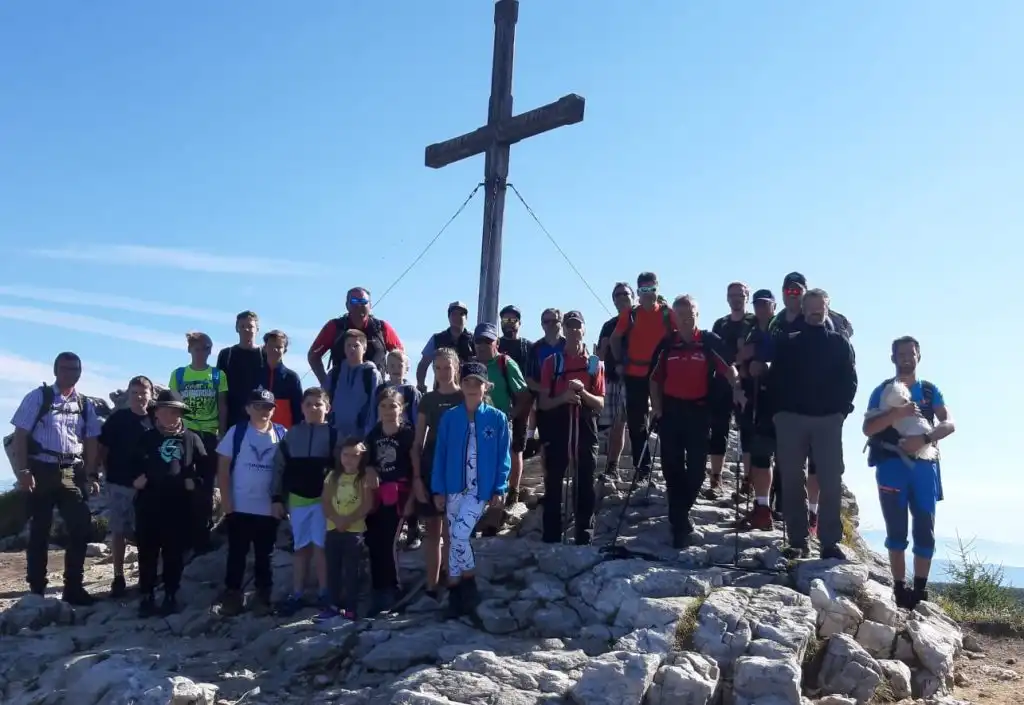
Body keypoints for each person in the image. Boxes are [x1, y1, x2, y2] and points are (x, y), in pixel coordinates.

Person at [864, 336, 955, 608]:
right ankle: (899, 589)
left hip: (925, 467)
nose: (906, 358)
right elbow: (868, 429)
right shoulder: (882, 390)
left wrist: (924, 439)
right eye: (901, 354)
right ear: (893, 358)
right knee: (896, 529)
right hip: (891, 465)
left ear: (918, 356)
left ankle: (920, 590)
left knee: (925, 528)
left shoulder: (928, 390)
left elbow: (949, 423)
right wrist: (895, 415)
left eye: (911, 353)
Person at [767, 288, 857, 560]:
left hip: (828, 420)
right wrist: (778, 414)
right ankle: (798, 541)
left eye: (822, 308)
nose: (817, 313)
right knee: (791, 480)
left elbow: (850, 380)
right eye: (812, 308)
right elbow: (774, 379)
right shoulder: (788, 342)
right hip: (791, 420)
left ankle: (829, 543)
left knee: (830, 480)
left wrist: (841, 412)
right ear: (803, 309)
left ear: (827, 309)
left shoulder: (840, 343)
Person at [649, 296, 742, 548]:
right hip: (671, 412)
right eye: (680, 314)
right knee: (672, 468)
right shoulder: (668, 344)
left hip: (698, 412)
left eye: (689, 314)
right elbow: (655, 378)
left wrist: (737, 388)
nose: (685, 319)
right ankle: (680, 524)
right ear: (674, 317)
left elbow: (728, 368)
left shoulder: (708, 341)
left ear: (697, 315)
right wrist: (656, 407)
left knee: (697, 471)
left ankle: (679, 514)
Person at [10, 351, 101, 605]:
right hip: (41, 468)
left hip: (71, 470)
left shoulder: (85, 404)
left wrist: (92, 473)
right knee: (40, 529)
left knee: (81, 525)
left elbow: (91, 439)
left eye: (75, 369)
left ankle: (74, 587)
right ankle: (37, 588)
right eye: (65, 369)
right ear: (55, 371)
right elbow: (20, 435)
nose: (70, 374)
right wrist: (23, 471)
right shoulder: (38, 397)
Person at [431, 362, 511, 619]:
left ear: (486, 386)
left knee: (458, 535)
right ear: (461, 384)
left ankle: (469, 583)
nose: (472, 387)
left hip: (479, 491)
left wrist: (500, 487)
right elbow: (440, 455)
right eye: (467, 382)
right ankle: (457, 594)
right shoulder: (450, 417)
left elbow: (504, 457)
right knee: (455, 539)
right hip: (453, 488)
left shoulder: (497, 419)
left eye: (478, 382)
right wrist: (438, 489)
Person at [216, 388, 287, 616]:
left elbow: (287, 470)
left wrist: (282, 502)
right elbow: (223, 468)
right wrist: (226, 501)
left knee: (265, 556)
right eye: (258, 406)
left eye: (268, 407)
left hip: (269, 508)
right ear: (248, 408)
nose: (263, 411)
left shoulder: (282, 434)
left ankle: (262, 597)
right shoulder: (237, 432)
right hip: (240, 506)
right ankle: (232, 597)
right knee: (236, 554)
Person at [133, 390, 204, 617]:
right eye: (166, 411)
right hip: (148, 506)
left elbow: (206, 468)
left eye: (175, 412)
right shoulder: (145, 438)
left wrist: (195, 482)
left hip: (179, 506)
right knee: (147, 553)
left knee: (174, 553)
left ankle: (171, 595)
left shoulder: (191, 439)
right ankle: (146, 596)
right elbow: (127, 465)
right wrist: (134, 479)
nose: (170, 416)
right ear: (156, 413)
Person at [537, 311, 605, 545]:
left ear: (584, 329)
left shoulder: (594, 363)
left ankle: (584, 533)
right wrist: (564, 397)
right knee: (554, 479)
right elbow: (543, 402)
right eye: (570, 326)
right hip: (558, 423)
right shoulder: (552, 362)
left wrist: (583, 393)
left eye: (578, 326)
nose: (574, 330)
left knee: (585, 478)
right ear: (564, 330)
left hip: (585, 422)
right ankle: (551, 535)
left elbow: (600, 403)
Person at [271, 387, 336, 616]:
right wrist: (276, 498)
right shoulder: (292, 434)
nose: (313, 408)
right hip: (297, 499)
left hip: (323, 500)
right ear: (301, 408)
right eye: (308, 404)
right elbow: (279, 467)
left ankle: (325, 593)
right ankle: (297, 593)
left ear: (328, 408)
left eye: (318, 404)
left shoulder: (334, 434)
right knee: (300, 547)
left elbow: (343, 467)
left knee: (321, 547)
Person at [611, 272, 676, 483]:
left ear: (657, 289)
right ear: (638, 292)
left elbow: (680, 335)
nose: (648, 293)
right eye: (643, 290)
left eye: (651, 289)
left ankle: (671, 468)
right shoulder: (630, 314)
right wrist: (619, 362)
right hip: (634, 374)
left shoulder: (667, 313)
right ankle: (642, 469)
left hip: (662, 375)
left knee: (666, 421)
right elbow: (614, 339)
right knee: (636, 424)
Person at [412, 347, 464, 601]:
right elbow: (418, 442)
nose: (443, 372)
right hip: (431, 466)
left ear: (456, 367)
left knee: (453, 530)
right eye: (438, 368)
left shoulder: (465, 396)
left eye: (447, 367)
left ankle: (453, 581)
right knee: (433, 530)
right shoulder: (428, 399)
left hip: (457, 468)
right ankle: (431, 585)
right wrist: (417, 478)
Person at [170, 331, 228, 555]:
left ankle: (202, 539)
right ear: (189, 349)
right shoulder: (179, 374)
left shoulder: (217, 375)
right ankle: (183, 537)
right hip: (185, 434)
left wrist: (222, 432)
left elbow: (222, 405)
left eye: (206, 348)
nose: (202, 352)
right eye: (197, 348)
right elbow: (174, 405)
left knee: (205, 487)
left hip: (209, 434)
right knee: (182, 482)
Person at [97, 375, 154, 597]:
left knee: (145, 532)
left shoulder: (155, 418)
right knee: (119, 531)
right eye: (134, 393)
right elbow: (103, 448)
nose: (139, 397)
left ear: (151, 395)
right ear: (128, 395)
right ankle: (118, 577)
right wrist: (103, 473)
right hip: (119, 483)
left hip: (148, 485)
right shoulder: (118, 419)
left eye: (143, 393)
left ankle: (145, 576)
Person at [363, 387, 417, 614]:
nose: (387, 410)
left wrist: (412, 498)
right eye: (383, 406)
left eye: (393, 406)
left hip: (399, 494)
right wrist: (368, 468)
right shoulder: (374, 433)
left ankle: (392, 588)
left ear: (401, 408)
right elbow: (365, 459)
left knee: (388, 541)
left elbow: (415, 469)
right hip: (375, 495)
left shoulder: (408, 435)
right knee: (372, 540)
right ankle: (377, 588)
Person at [734, 289, 779, 530]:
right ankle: (763, 507)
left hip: (778, 398)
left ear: (773, 306)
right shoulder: (751, 330)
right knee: (759, 451)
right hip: (754, 396)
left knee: (780, 454)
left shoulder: (780, 329)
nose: (761, 308)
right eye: (758, 304)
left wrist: (762, 363)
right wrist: (745, 369)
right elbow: (739, 360)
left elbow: (786, 358)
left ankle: (777, 506)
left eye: (765, 304)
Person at [473, 322, 531, 506]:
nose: (483, 345)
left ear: (496, 343)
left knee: (512, 454)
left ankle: (512, 494)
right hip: (478, 422)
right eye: (479, 341)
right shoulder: (472, 365)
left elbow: (524, 394)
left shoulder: (505, 363)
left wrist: (512, 415)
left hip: (503, 421)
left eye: (487, 341)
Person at [708, 282, 757, 498]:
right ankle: (715, 479)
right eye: (732, 295)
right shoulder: (720, 324)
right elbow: (713, 351)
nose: (736, 299)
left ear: (747, 297)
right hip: (721, 382)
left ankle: (748, 481)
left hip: (747, 382)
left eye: (740, 295)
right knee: (718, 429)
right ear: (727, 298)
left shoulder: (754, 322)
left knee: (747, 430)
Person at [321, 437, 377, 621]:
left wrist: (348, 520)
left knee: (352, 570)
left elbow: (367, 504)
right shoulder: (332, 476)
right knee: (333, 569)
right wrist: (336, 519)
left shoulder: (363, 478)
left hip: (354, 531)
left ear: (362, 457)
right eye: (346, 455)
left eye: (355, 456)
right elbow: (326, 502)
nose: (349, 459)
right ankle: (332, 606)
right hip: (333, 529)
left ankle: (352, 608)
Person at [307, 286, 403, 387]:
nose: (359, 305)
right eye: (354, 301)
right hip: (341, 391)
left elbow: (400, 356)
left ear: (370, 305)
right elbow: (313, 355)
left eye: (363, 301)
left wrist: (392, 384)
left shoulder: (381, 328)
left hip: (376, 390)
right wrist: (326, 383)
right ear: (347, 305)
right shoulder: (335, 327)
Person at [596, 283, 635, 480]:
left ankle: (633, 466)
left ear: (633, 296)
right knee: (614, 424)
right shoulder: (609, 325)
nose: (621, 297)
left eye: (625, 294)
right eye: (617, 295)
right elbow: (601, 354)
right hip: (611, 378)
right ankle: (612, 466)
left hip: (634, 378)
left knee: (626, 422)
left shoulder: (640, 320)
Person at [498, 305, 535, 479]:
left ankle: (514, 490)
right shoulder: (495, 344)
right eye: (505, 320)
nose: (509, 323)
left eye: (513, 320)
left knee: (517, 448)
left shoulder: (528, 347)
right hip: (498, 401)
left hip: (522, 402)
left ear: (519, 323)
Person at [329, 328, 385, 439]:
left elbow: (375, 407)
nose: (352, 349)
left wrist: (368, 435)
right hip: (334, 437)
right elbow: (325, 401)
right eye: (348, 345)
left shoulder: (371, 374)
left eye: (356, 346)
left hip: (361, 437)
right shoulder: (334, 373)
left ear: (364, 349)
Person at [526, 308, 567, 455]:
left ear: (561, 323)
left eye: (554, 321)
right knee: (546, 447)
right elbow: (529, 379)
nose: (550, 325)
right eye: (546, 321)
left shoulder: (569, 345)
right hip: (544, 402)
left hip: (566, 402)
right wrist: (545, 390)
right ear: (541, 324)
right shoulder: (535, 348)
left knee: (567, 445)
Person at [216, 311, 267, 427]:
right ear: (237, 328)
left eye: (250, 326)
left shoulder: (265, 354)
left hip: (259, 417)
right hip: (232, 419)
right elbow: (221, 393)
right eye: (242, 326)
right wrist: (221, 428)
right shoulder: (226, 355)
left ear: (257, 329)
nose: (246, 329)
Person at [416, 301, 475, 392]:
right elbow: (423, 364)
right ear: (449, 317)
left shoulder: (474, 340)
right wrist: (421, 385)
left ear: (466, 318)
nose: (457, 317)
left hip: (468, 392)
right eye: (454, 314)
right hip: (441, 392)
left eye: (461, 314)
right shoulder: (437, 339)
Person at [262, 330, 303, 430]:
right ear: (265, 348)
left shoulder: (292, 378)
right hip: (258, 432)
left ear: (285, 350)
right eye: (271, 346)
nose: (274, 350)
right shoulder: (255, 374)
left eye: (279, 347)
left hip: (284, 434)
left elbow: (298, 411)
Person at [381, 349, 421, 427]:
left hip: (405, 432)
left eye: (400, 366)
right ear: (386, 368)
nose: (396, 369)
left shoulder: (411, 391)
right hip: (382, 431)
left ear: (407, 369)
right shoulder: (381, 390)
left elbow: (417, 418)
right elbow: (373, 415)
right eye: (392, 366)